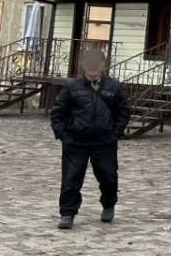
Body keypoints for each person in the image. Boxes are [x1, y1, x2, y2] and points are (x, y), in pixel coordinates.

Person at [49, 46, 131, 230]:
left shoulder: (113, 87)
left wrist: (115, 132)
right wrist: (63, 135)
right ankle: (67, 213)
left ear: (103, 65)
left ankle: (108, 205)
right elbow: (57, 112)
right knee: (71, 178)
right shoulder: (72, 87)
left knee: (108, 176)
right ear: (83, 65)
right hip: (76, 141)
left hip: (104, 142)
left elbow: (124, 111)